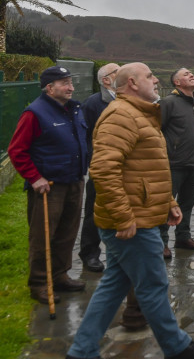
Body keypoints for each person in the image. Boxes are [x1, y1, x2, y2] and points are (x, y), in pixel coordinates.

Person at [66, 63, 194, 359]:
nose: (156, 79)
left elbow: (149, 170)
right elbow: (103, 170)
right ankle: (178, 347)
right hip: (133, 221)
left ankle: (82, 350)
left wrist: (168, 204)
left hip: (143, 214)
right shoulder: (121, 115)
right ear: (132, 83)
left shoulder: (140, 114)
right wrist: (123, 217)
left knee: (113, 286)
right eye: (150, 76)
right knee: (153, 284)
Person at [8, 66, 88, 305]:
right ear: (49, 87)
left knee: (67, 233)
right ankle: (40, 283)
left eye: (71, 82)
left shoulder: (74, 110)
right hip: (49, 187)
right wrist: (34, 178)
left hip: (74, 180)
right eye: (65, 83)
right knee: (43, 236)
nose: (71, 87)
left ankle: (60, 274)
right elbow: (16, 150)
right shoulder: (34, 113)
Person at [159, 67, 194, 257]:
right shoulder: (168, 103)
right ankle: (162, 243)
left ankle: (183, 236)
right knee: (165, 206)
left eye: (191, 73)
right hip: (173, 163)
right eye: (186, 74)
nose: (191, 75)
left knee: (187, 203)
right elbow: (156, 130)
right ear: (176, 82)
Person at [78, 62, 119, 272]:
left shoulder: (128, 101)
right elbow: (84, 136)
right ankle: (89, 254)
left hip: (122, 168)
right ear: (106, 80)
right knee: (94, 211)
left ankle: (118, 254)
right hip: (101, 168)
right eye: (117, 72)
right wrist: (94, 160)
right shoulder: (93, 103)